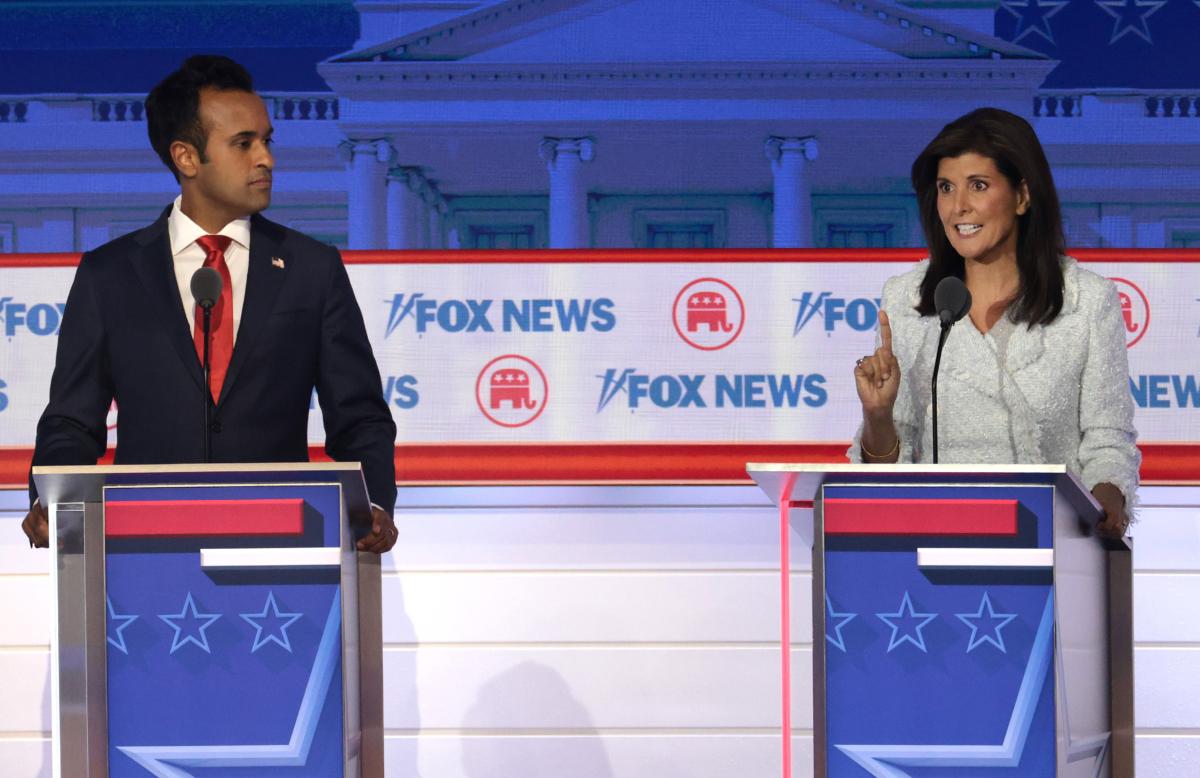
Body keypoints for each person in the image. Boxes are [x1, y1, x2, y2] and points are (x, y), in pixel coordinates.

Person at [21, 55, 398, 553]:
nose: (266, 158)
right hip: (144, 547)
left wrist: (373, 503)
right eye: (243, 144)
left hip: (285, 545)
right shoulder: (108, 274)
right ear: (186, 158)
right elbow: (72, 420)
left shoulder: (312, 268)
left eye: (266, 140)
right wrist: (52, 500)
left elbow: (360, 417)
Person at [849, 107, 1138, 540]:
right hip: (933, 546)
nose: (958, 207)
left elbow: (1107, 441)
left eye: (978, 186)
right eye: (946, 188)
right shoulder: (908, 301)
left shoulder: (1086, 301)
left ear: (1023, 195)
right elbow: (885, 467)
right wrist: (877, 415)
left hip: (1053, 545)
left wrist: (1104, 503)